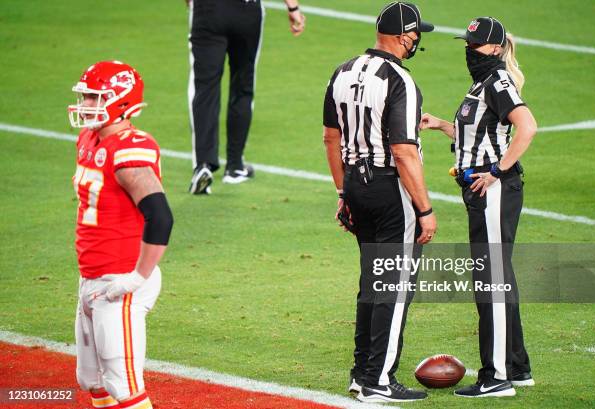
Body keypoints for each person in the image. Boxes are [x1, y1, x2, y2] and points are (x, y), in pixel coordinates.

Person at [323, 2, 436, 403]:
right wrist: (424, 209)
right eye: (416, 33)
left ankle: (362, 372)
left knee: (372, 281)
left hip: (355, 183)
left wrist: (343, 192)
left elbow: (330, 139)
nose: (417, 40)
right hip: (391, 191)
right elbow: (403, 151)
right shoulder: (399, 79)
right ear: (405, 35)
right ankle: (379, 380)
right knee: (394, 284)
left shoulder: (343, 71)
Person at [420, 17, 537, 398]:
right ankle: (516, 368)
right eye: (468, 44)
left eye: (476, 45)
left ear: (496, 49)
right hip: (480, 189)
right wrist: (440, 125)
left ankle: (497, 376)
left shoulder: (498, 81)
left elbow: (527, 126)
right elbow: (479, 134)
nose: (470, 51)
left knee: (492, 282)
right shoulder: (484, 83)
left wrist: (497, 173)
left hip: (492, 191)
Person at [68, 61, 174, 409]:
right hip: (92, 276)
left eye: (95, 97)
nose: (86, 104)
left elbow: (160, 216)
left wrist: (136, 278)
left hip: (121, 277)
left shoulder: (130, 148)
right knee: (94, 382)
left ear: (122, 102)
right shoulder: (88, 139)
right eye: (85, 96)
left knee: (123, 385)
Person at [186, 0, 306, 194]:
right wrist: (293, 8)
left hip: (207, 9)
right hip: (246, 10)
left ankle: (203, 165)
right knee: (242, 87)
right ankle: (234, 167)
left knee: (204, 89)